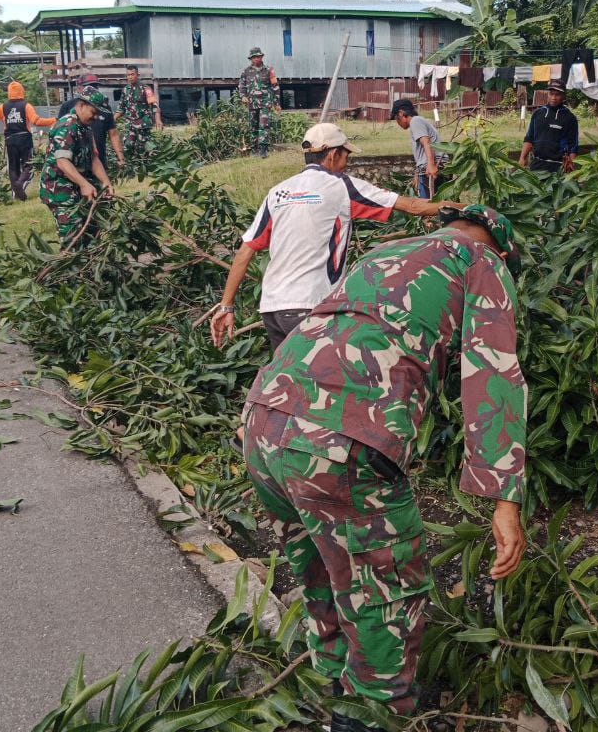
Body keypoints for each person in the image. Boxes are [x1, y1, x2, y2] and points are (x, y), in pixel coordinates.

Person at [241, 204, 527, 724]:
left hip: (264, 420)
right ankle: (367, 717)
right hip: (337, 441)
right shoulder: (483, 261)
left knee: (323, 568)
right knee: (384, 595)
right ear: (501, 248)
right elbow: (493, 374)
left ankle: (330, 691)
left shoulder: (385, 251)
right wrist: (505, 498)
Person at [211, 122, 451, 354]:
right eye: (346, 156)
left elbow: (245, 251)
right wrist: (464, 208)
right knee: (327, 377)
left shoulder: (278, 192)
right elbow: (413, 206)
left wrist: (226, 306)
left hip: (273, 309)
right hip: (310, 306)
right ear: (334, 154)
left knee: (289, 379)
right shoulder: (341, 186)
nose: (347, 164)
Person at [40, 86, 114, 246]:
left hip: (76, 186)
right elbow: (62, 161)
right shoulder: (67, 126)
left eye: (98, 114)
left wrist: (106, 182)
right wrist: (84, 184)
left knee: (92, 231)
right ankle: (72, 261)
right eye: (93, 112)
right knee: (73, 236)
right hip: (59, 188)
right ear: (81, 105)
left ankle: (91, 260)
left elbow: (94, 159)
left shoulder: (85, 127)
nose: (96, 117)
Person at [0, 81, 56, 200]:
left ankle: (16, 193)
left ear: (9, 92)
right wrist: (54, 120)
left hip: (10, 140)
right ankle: (19, 184)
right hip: (25, 139)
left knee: (13, 168)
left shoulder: (3, 107)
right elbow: (37, 121)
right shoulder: (26, 106)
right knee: (28, 165)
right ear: (21, 91)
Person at [58, 76, 124, 169]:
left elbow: (113, 134)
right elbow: (59, 135)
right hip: (75, 163)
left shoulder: (105, 108)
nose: (93, 89)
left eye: (95, 86)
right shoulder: (68, 106)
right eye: (89, 86)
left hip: (98, 160)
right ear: (79, 88)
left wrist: (120, 156)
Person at [519, 79, 579, 173]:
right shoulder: (538, 113)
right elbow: (529, 138)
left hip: (559, 167)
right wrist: (522, 158)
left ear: (563, 96)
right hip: (537, 164)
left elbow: (573, 146)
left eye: (557, 95)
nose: (553, 97)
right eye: (551, 94)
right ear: (548, 94)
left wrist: (573, 169)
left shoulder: (570, 118)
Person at [390, 98, 441, 199]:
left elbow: (427, 142)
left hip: (431, 169)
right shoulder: (418, 122)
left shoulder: (415, 121)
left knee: (427, 206)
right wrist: (417, 174)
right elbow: (422, 152)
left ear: (401, 113)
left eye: (396, 118)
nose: (397, 122)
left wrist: (431, 165)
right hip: (428, 168)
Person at [238, 47, 280, 158]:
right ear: (251, 59)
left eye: (258, 56)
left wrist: (277, 103)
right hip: (252, 103)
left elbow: (275, 87)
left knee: (264, 125)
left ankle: (263, 150)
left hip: (265, 102)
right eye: (254, 57)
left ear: (262, 57)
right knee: (253, 126)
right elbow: (241, 85)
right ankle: (254, 150)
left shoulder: (269, 70)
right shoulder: (246, 71)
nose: (256, 59)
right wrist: (243, 96)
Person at [117, 65, 163, 167]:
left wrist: (158, 119)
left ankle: (150, 166)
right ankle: (132, 167)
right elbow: (121, 108)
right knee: (128, 145)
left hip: (143, 123)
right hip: (130, 124)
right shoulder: (125, 90)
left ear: (137, 75)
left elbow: (154, 106)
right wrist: (112, 119)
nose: (130, 77)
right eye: (128, 75)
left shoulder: (146, 89)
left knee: (145, 147)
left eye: (132, 74)